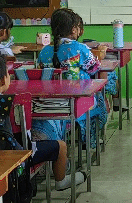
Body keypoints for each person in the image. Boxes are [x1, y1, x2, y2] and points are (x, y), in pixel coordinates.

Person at [0, 52, 86, 191]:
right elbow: (26, 136)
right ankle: (61, 181)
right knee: (61, 146)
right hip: (16, 156)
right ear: (3, 80)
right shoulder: (15, 101)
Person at [36, 8, 107, 147]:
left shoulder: (44, 51)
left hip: (49, 104)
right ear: (74, 30)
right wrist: (101, 55)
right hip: (75, 102)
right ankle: (89, 139)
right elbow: (94, 68)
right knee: (99, 98)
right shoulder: (79, 48)